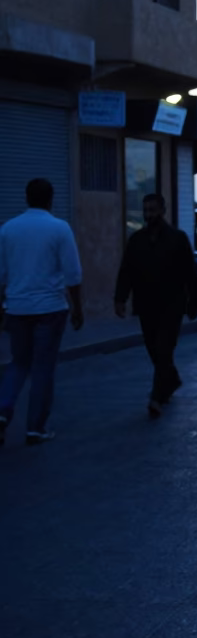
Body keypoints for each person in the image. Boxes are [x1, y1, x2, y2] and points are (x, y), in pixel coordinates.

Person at [0, 178, 83, 446]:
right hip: (50, 308)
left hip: (17, 307)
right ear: (51, 199)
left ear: (26, 198)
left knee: (18, 363)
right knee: (43, 367)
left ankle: (3, 410)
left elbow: (1, 274)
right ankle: (36, 428)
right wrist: (78, 309)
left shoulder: (8, 229)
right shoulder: (59, 228)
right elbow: (73, 273)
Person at [114, 194, 197, 418]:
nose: (149, 215)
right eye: (146, 211)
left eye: (153, 210)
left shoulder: (178, 239)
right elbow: (127, 271)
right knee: (154, 350)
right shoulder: (136, 240)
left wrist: (194, 302)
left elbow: (190, 273)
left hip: (172, 305)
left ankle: (156, 397)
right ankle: (172, 380)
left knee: (163, 350)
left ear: (163, 210)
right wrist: (120, 299)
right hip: (146, 305)